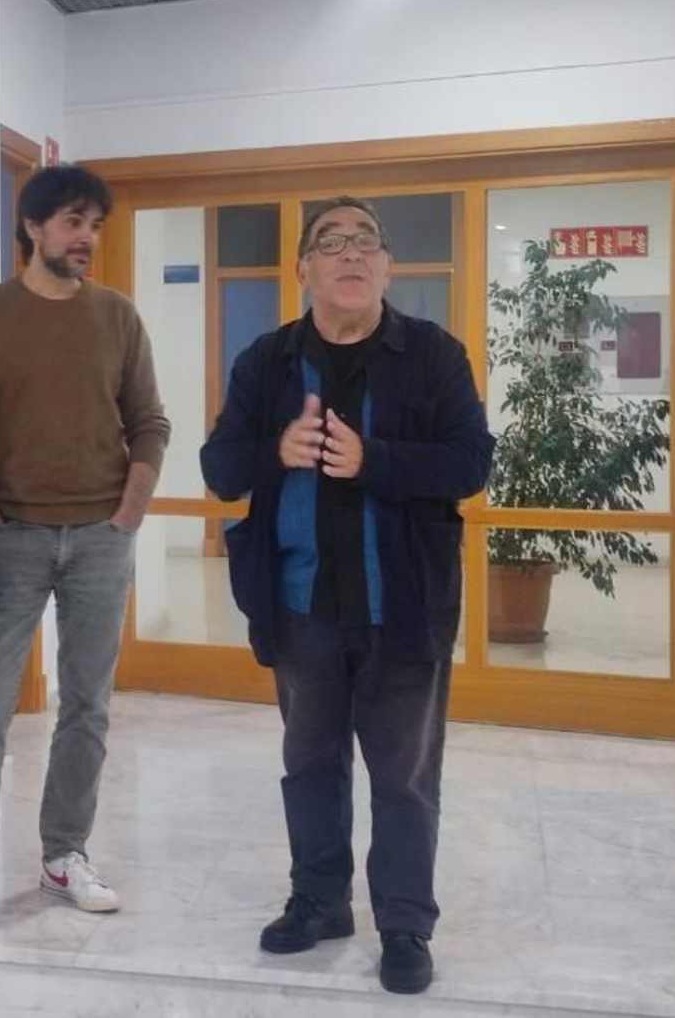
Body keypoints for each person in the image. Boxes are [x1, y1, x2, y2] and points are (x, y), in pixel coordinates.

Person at [200, 196, 493, 995]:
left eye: (366, 241)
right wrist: (276, 450)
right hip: (299, 608)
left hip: (403, 607)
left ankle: (404, 922)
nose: (351, 254)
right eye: (332, 242)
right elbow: (221, 466)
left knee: (403, 774)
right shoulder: (266, 362)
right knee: (310, 763)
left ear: (388, 267)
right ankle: (321, 900)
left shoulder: (433, 354)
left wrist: (375, 459)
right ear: (304, 270)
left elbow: (471, 461)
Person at [0, 164, 170, 913]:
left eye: (94, 225)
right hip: (14, 539)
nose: (87, 238)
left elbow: (149, 422)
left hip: (103, 538)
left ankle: (64, 854)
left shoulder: (117, 317)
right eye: (74, 222)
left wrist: (128, 513)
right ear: (32, 227)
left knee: (86, 706)